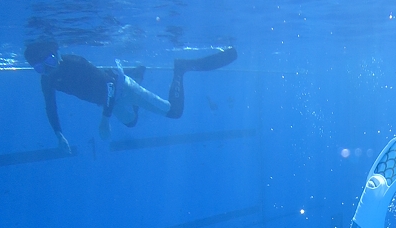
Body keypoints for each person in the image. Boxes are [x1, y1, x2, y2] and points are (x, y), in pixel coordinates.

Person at [23, 39, 237, 154]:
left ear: (58, 55)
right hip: (109, 102)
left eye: (50, 62)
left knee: (174, 112)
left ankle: (181, 68)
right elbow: (50, 106)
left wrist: (105, 119)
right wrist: (59, 134)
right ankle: (137, 74)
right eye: (40, 68)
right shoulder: (48, 80)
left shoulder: (75, 63)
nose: (48, 70)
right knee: (132, 122)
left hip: (119, 87)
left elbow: (108, 85)